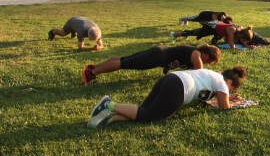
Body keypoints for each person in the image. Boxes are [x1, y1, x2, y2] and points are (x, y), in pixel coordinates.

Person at [87, 66, 248, 127]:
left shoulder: (214, 75)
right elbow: (224, 107)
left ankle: (108, 118)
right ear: (230, 83)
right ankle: (109, 105)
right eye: (230, 90)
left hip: (171, 79)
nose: (227, 92)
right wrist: (233, 103)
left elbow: (209, 97)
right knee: (149, 115)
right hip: (178, 88)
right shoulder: (222, 82)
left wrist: (229, 97)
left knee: (143, 111)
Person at [82, 44, 221, 85]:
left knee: (125, 59)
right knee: (125, 63)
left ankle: (94, 67)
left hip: (158, 51)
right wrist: (216, 77)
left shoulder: (195, 52)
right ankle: (91, 73)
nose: (206, 63)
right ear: (207, 55)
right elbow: (200, 74)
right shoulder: (197, 55)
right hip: (158, 56)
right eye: (209, 61)